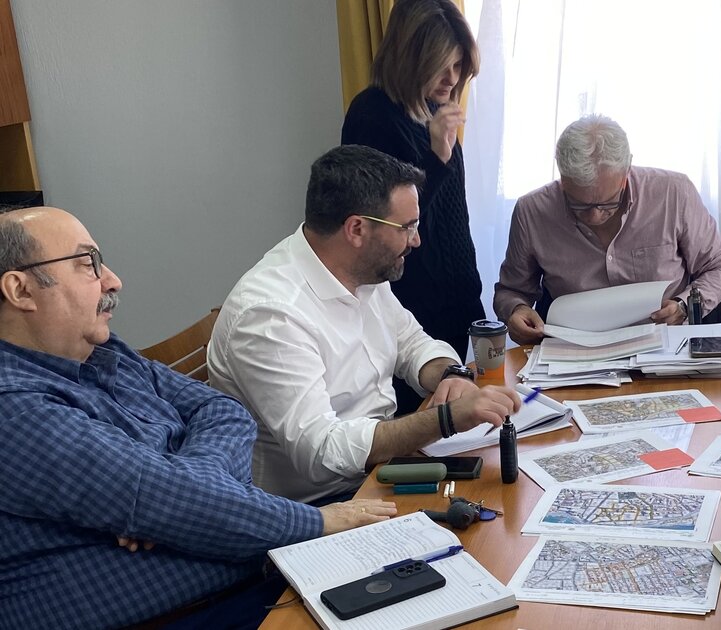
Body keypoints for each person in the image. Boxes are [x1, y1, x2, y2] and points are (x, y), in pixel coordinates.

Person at [0, 207, 396, 629]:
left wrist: (188, 492)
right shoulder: (14, 409)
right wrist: (319, 521)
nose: (112, 280)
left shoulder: (102, 350)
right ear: (20, 290)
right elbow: (167, 497)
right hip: (182, 616)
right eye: (87, 264)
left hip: (253, 577)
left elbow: (224, 411)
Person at [208, 145, 521, 505]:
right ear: (356, 229)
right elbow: (322, 453)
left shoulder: (360, 269)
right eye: (408, 227)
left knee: (508, 493)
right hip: (318, 507)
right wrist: (445, 419)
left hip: (377, 473)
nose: (416, 240)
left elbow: (411, 342)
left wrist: (450, 374)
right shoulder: (271, 315)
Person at [341, 0, 483, 417]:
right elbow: (385, 219)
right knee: (420, 426)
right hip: (410, 302)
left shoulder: (435, 109)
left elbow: (452, 216)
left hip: (456, 296)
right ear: (411, 57)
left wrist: (469, 288)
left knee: (465, 417)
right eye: (442, 66)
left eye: (458, 66)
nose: (452, 79)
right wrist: (436, 155)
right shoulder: (372, 115)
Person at [494, 114, 721, 345]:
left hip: (666, 346)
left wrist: (683, 305)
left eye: (607, 203)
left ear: (626, 172)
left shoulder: (673, 193)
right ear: (562, 178)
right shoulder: (532, 211)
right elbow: (511, 290)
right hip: (577, 352)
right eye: (579, 204)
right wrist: (516, 309)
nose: (594, 216)